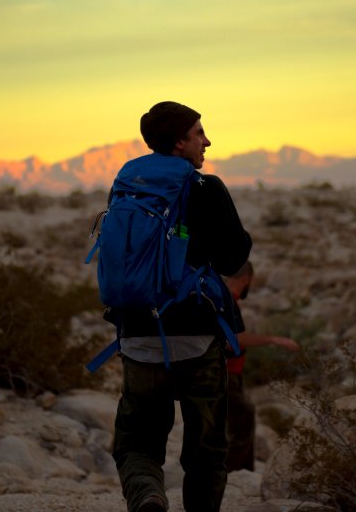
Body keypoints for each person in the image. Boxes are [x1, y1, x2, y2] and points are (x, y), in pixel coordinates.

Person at [111, 101, 252, 512]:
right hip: (198, 336)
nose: (207, 141)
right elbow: (232, 260)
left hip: (138, 333)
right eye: (198, 133)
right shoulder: (207, 188)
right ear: (179, 142)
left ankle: (149, 497)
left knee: (136, 442)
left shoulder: (126, 186)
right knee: (207, 450)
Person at [224, 261, 299, 472]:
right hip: (225, 372)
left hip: (230, 373)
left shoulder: (225, 299)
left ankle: (243, 471)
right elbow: (236, 339)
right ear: (247, 278)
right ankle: (230, 473)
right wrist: (273, 339)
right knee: (243, 419)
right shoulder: (227, 300)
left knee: (242, 418)